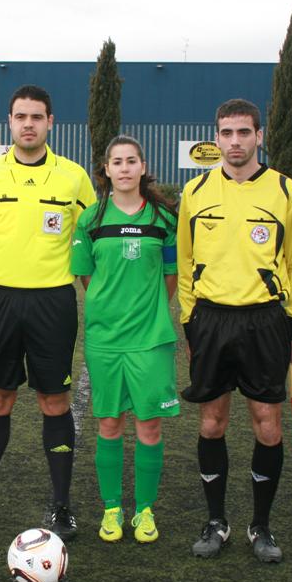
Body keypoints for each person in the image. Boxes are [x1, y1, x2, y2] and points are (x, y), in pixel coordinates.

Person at [0, 85, 96, 541]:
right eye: (20, 116)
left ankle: (61, 507)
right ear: (10, 122)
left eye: (36, 116)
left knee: (55, 400)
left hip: (53, 301)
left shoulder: (73, 177)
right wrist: (9, 270)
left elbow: (87, 239)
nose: (28, 124)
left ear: (50, 122)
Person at [177, 99, 292, 563]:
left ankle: (261, 526)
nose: (234, 142)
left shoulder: (287, 192)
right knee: (212, 422)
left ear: (260, 135)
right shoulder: (195, 192)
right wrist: (190, 322)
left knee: (268, 426)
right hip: (211, 320)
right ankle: (216, 521)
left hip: (264, 321)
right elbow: (185, 262)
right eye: (226, 133)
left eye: (243, 132)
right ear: (216, 137)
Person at [71, 136, 179, 544]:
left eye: (131, 161)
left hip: (150, 338)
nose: (125, 168)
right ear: (107, 170)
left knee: (149, 425)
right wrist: (110, 305)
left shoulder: (163, 218)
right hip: (105, 338)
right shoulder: (91, 219)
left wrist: (146, 311)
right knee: (110, 423)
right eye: (117, 162)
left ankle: (145, 510)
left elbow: (170, 276)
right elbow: (85, 275)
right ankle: (112, 508)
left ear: (142, 166)